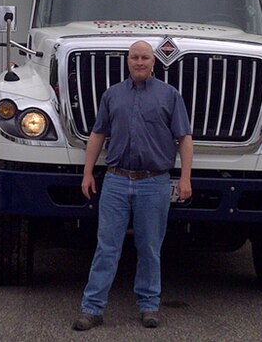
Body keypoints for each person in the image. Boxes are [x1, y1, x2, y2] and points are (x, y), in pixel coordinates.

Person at [73, 40, 193, 331]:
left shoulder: (170, 96)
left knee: (150, 247)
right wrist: (88, 173)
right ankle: (92, 308)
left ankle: (149, 306)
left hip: (154, 182)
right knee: (106, 247)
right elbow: (98, 134)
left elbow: (184, 138)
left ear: (154, 62)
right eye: (134, 57)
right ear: (128, 61)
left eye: (145, 58)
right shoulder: (112, 95)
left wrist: (186, 177)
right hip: (115, 180)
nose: (139, 62)